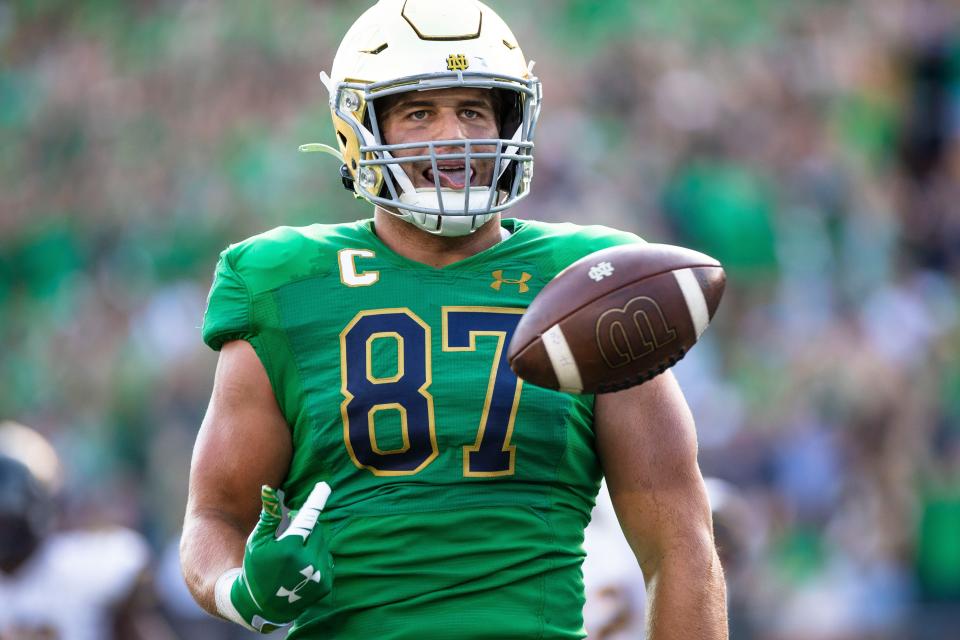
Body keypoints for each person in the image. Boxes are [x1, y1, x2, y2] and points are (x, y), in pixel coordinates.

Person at [180, 1, 728, 638]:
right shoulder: (284, 281)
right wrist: (237, 591)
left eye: (473, 110)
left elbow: (679, 540)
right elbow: (215, 514)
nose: (455, 136)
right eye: (419, 113)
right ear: (359, 128)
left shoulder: (595, 280)